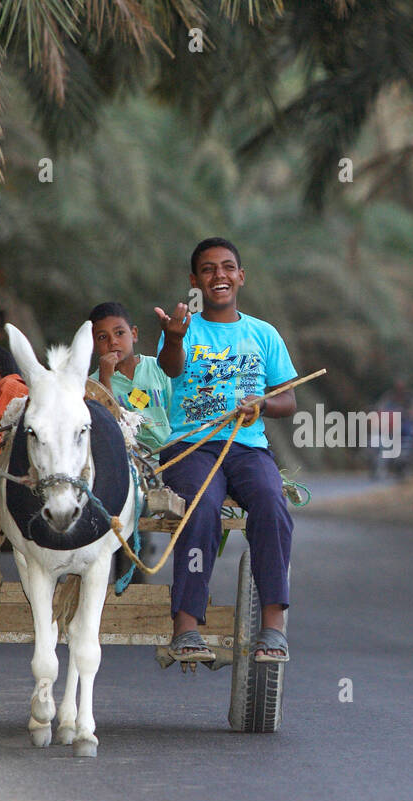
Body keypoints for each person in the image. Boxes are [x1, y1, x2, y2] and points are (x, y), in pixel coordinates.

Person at [154, 237, 298, 664]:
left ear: (241, 276)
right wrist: (175, 339)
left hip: (249, 448)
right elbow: (170, 369)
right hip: (192, 445)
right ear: (195, 280)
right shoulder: (182, 329)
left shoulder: (263, 333)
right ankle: (186, 626)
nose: (220, 275)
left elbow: (288, 400)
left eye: (228, 267)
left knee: (273, 503)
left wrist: (262, 406)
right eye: (209, 269)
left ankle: (273, 627)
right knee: (202, 505)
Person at [87, 302, 173, 455]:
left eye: (119, 333)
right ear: (93, 344)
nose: (112, 341)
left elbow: (177, 411)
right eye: (102, 337)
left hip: (169, 452)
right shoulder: (92, 384)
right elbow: (106, 429)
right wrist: (105, 379)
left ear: (133, 334)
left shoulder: (157, 367)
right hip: (130, 462)